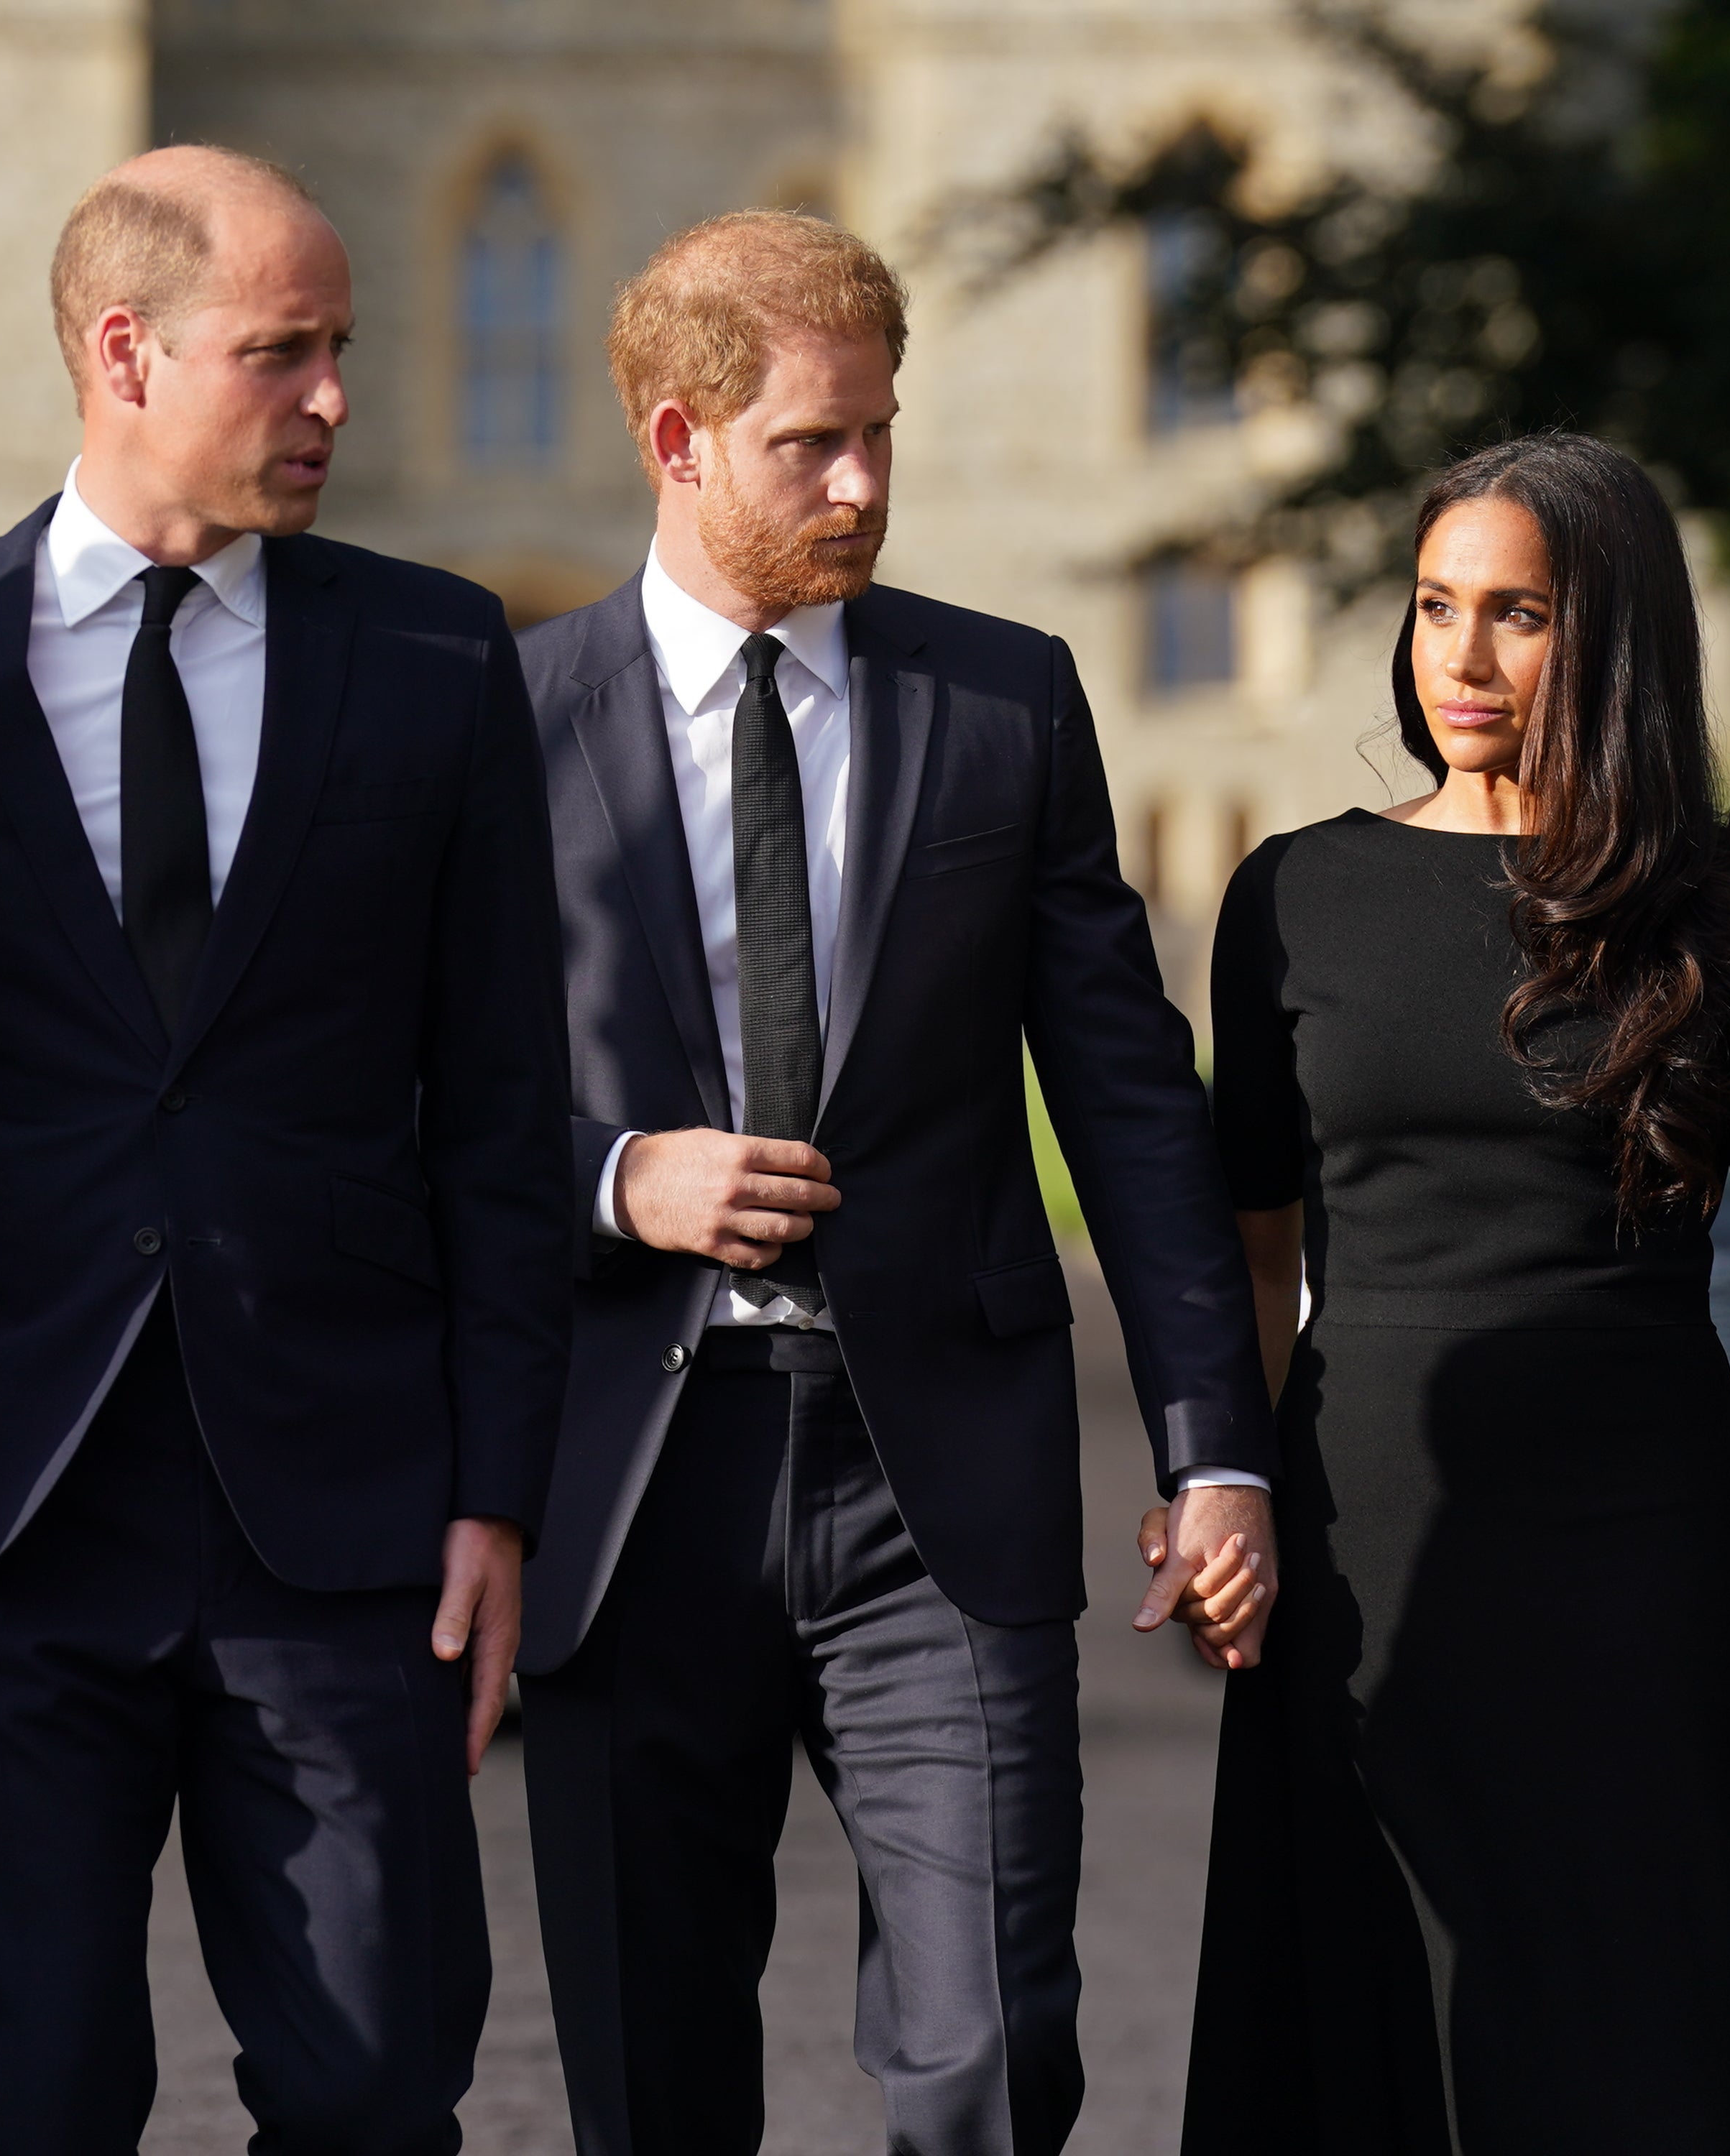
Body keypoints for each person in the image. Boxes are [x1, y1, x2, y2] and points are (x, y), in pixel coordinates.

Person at [0, 147, 568, 2152]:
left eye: (341, 351)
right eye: (283, 352)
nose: (334, 401)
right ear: (125, 351)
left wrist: (499, 1496)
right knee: (34, 2100)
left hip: (348, 1525)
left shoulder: (438, 654)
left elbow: (499, 1113)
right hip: (1, 1519)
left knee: (376, 2089)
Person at [511, 210, 1279, 2156]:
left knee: (996, 2060)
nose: (862, 487)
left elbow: (1129, 1101)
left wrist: (1214, 1443)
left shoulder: (1003, 707)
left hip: (933, 1488)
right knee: (649, 2074)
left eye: (882, 436)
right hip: (629, 1484)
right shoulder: (501, 730)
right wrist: (614, 1180)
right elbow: (398, 1106)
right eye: (809, 446)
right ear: (679, 441)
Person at [1180, 432, 1730, 2154]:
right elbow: (1246, 1258)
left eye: (1516, 614)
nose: (1458, 659)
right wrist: (1211, 1486)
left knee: (1626, 2053)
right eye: (1435, 605)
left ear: (1611, 636)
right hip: (1363, 1549)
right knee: (1358, 2040)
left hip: (1638, 1565)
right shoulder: (1292, 896)